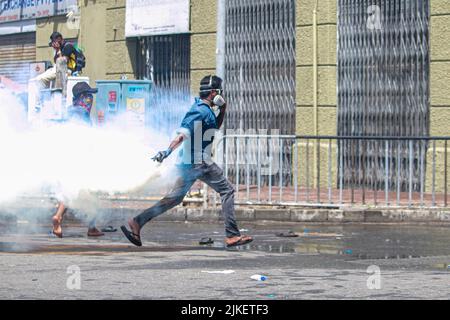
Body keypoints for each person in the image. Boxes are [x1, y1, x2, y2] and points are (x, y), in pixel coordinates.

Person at [121, 75, 253, 248]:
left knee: (174, 199)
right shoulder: (199, 111)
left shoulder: (206, 110)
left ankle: (137, 222)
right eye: (219, 92)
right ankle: (232, 235)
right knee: (227, 190)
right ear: (214, 93)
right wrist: (167, 151)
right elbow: (182, 134)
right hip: (198, 161)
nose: (221, 96)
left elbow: (215, 126)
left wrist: (223, 109)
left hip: (189, 162)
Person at [51, 82, 104, 238]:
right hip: (81, 159)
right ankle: (90, 227)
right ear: (81, 97)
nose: (91, 99)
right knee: (93, 192)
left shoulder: (68, 111)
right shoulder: (82, 113)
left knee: (71, 191)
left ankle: (59, 218)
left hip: (67, 158)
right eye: (88, 96)